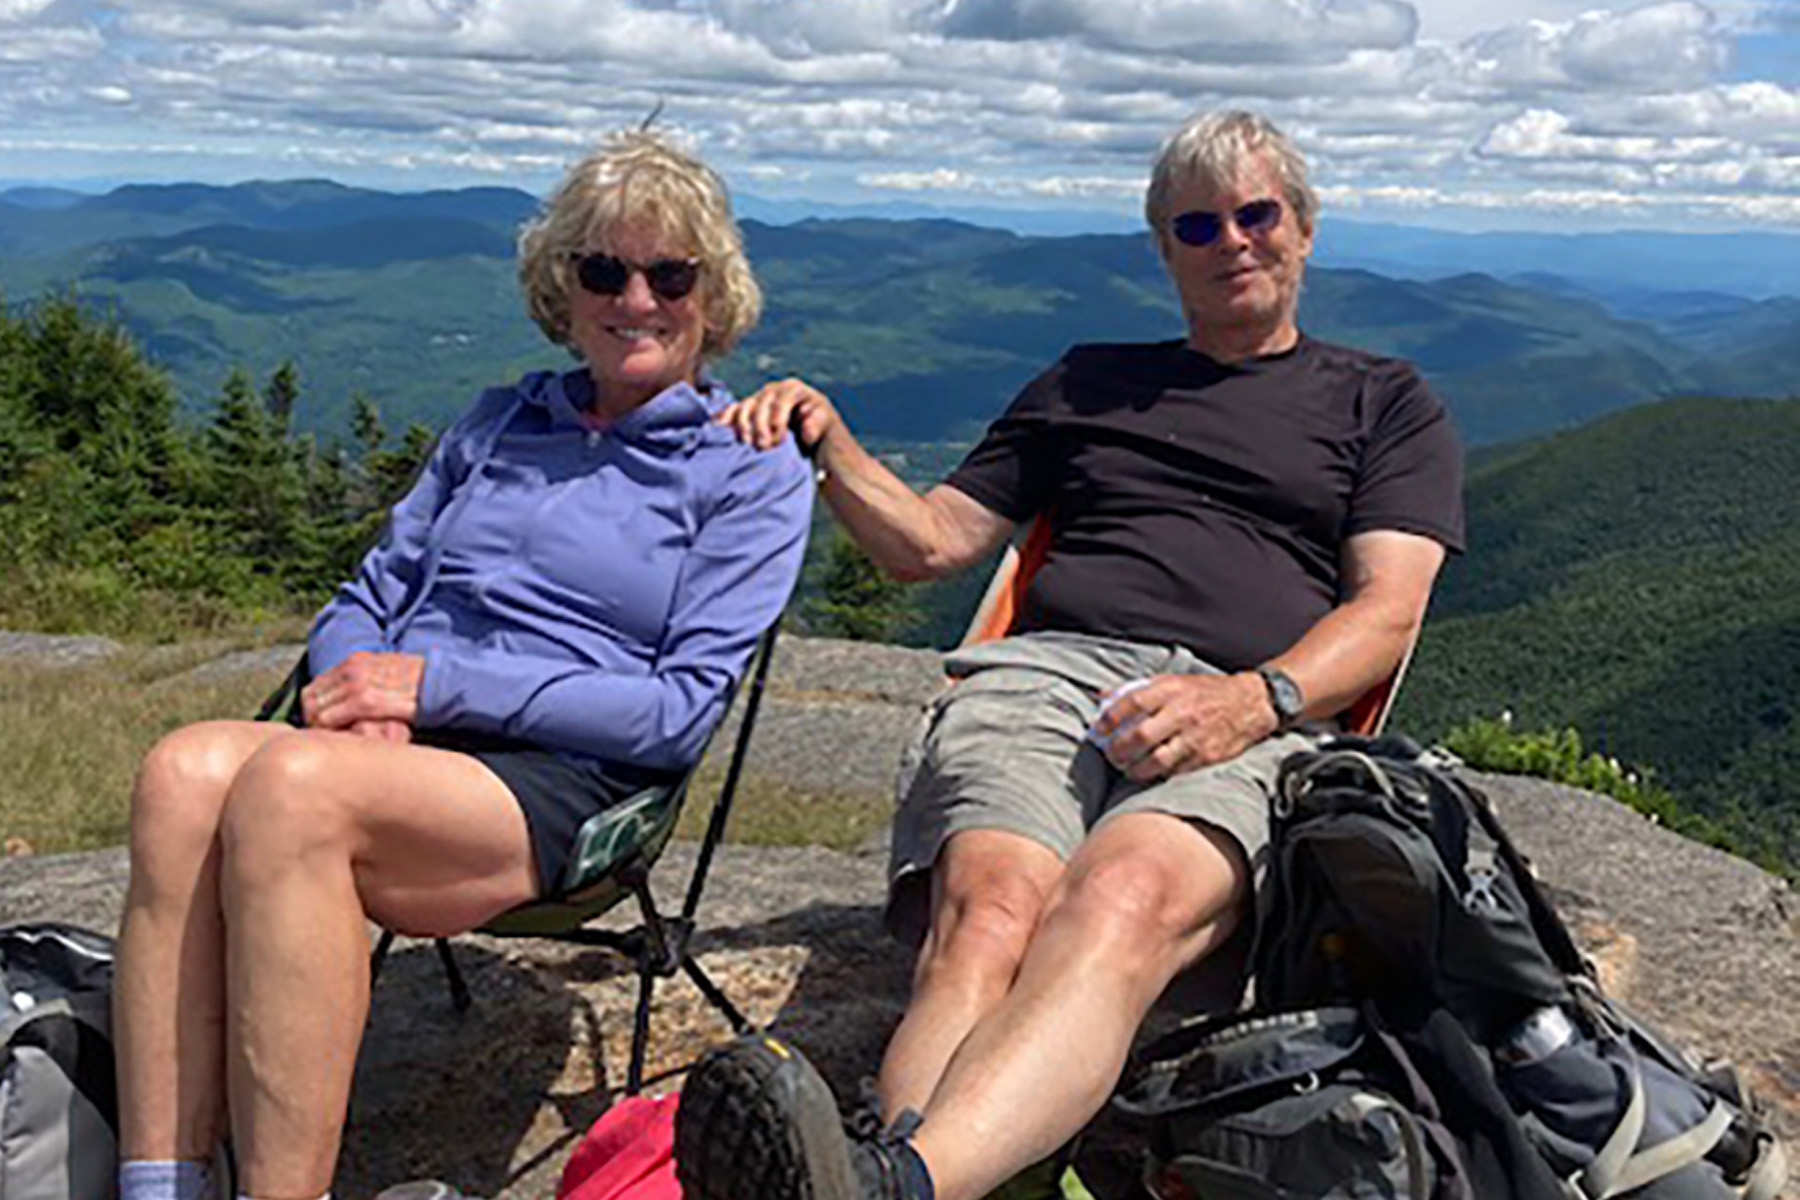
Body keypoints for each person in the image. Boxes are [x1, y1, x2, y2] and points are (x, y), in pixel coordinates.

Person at [674, 110, 1465, 1200]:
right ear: (1164, 247)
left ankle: (890, 1180)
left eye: (1256, 212)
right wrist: (831, 440)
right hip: (1049, 672)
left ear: (1304, 228)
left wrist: (1252, 700)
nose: (1230, 239)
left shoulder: (1385, 401)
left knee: (1122, 895)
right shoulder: (1085, 380)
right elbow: (936, 542)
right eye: (1197, 223)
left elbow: (1387, 612)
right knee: (993, 914)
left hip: (1252, 704)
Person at [111, 130, 813, 1200]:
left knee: (296, 789)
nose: (637, 297)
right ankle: (158, 1184)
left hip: (570, 771)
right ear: (561, 290)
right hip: (399, 749)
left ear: (712, 296)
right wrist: (366, 699)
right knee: (181, 773)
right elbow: (367, 596)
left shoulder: (746, 466)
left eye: (671, 274)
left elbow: (674, 714)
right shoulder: (497, 422)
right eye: (603, 270)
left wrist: (431, 687)